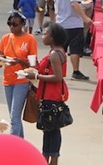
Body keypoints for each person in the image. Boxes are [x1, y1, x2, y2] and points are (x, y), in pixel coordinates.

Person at [0, 11, 38, 138]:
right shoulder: (5, 38)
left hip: (22, 81)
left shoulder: (29, 39)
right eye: (9, 24)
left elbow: (33, 64)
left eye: (14, 24)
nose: (11, 27)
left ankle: (12, 144)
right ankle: (20, 143)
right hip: (8, 81)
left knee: (14, 117)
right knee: (13, 116)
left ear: (22, 24)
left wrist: (20, 61)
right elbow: (0, 62)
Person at [25, 23, 69, 164]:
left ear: (53, 37)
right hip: (51, 96)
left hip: (51, 97)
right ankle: (50, 159)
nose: (43, 37)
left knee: (50, 130)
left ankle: (49, 159)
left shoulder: (55, 54)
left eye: (45, 34)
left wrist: (36, 77)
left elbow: (58, 77)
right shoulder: (58, 52)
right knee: (51, 130)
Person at [53, 0, 92, 81]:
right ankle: (75, 71)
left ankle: (56, 69)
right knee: (75, 49)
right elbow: (75, 3)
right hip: (73, 22)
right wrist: (85, 18)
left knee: (60, 48)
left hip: (60, 21)